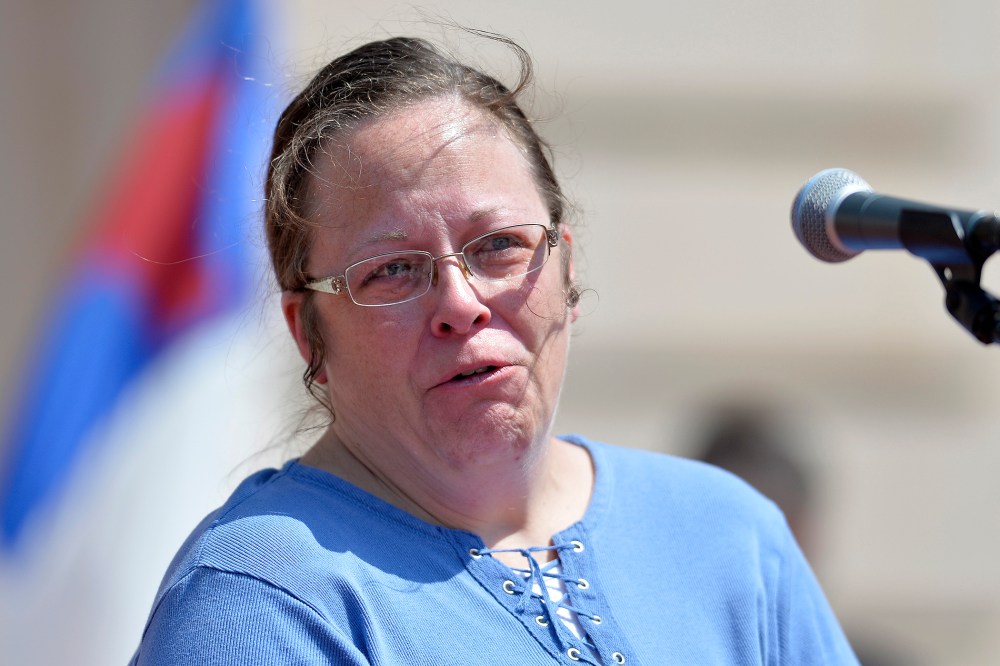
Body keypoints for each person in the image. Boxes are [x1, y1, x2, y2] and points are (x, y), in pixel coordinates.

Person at [130, 33, 860, 665]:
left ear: (567, 269)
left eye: (500, 246)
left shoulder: (727, 535)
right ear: (308, 333)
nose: (460, 303)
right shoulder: (260, 599)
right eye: (392, 269)